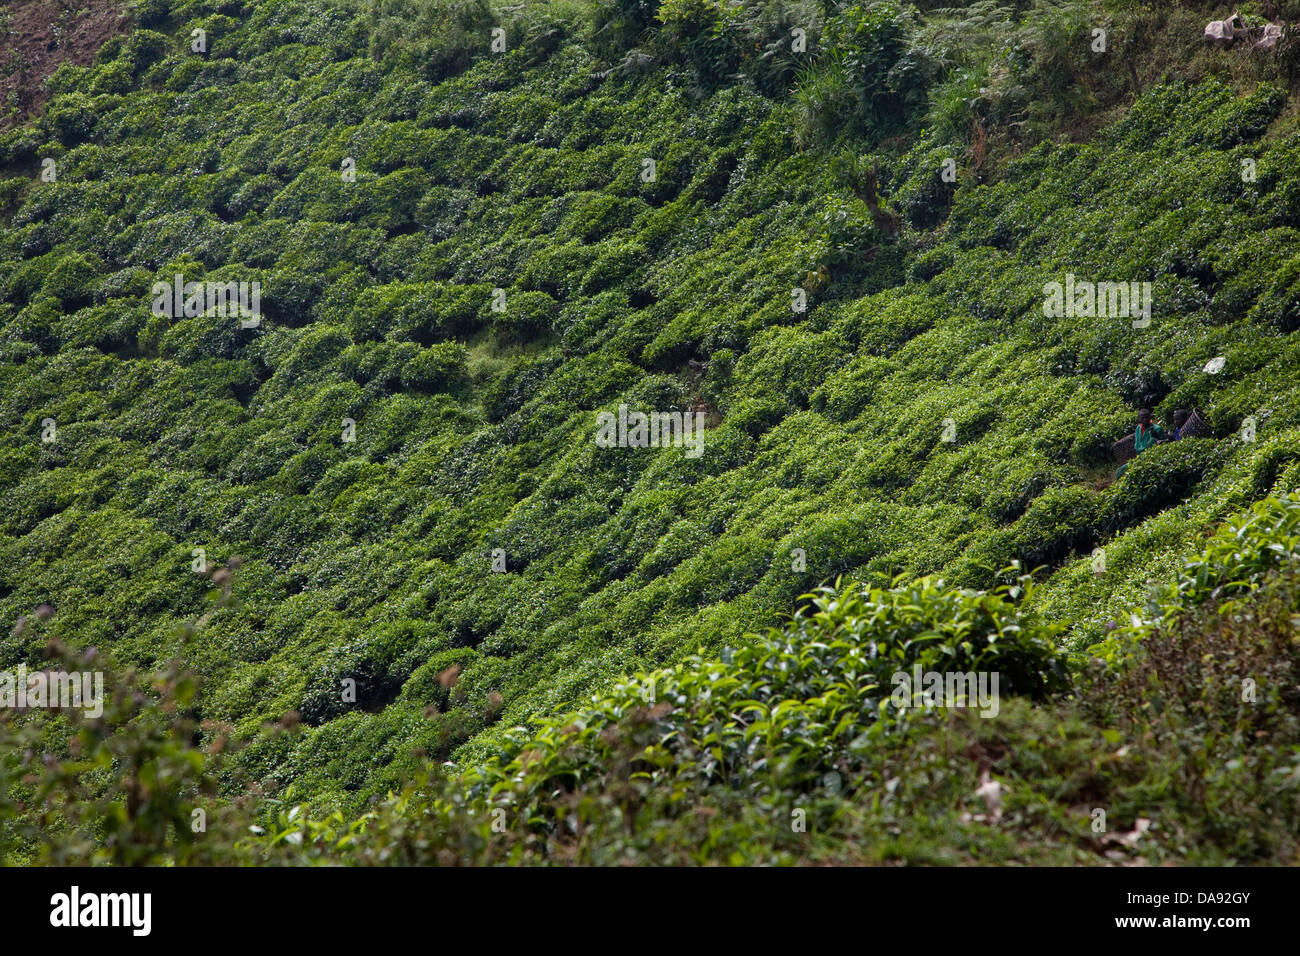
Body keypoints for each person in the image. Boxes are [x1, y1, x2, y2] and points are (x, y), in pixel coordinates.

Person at [1116, 409, 1168, 478]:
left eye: (1146, 417)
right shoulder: (1138, 428)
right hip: (1139, 457)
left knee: (1123, 470)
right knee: (1120, 471)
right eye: (1142, 418)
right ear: (1139, 419)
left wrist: (1155, 438)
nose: (1145, 420)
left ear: (1150, 418)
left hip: (1151, 457)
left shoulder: (1157, 429)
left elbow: (1165, 443)